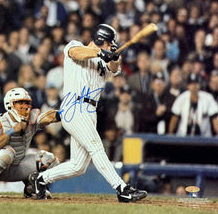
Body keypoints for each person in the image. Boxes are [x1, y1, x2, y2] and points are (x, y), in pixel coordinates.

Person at [30, 24, 147, 202]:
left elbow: (114, 69)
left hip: (90, 111)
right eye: (108, 44)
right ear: (100, 40)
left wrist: (115, 56)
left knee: (78, 166)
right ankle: (122, 188)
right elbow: (77, 53)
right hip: (74, 106)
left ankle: (40, 179)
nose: (109, 47)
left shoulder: (103, 62)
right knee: (96, 147)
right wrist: (101, 52)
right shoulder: (75, 46)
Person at [0, 87, 60, 199]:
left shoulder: (31, 117)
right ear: (10, 104)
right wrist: (13, 130)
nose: (25, 106)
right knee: (7, 153)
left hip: (17, 166)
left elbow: (48, 117)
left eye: (27, 102)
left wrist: (61, 114)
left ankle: (31, 187)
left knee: (50, 160)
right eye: (20, 102)